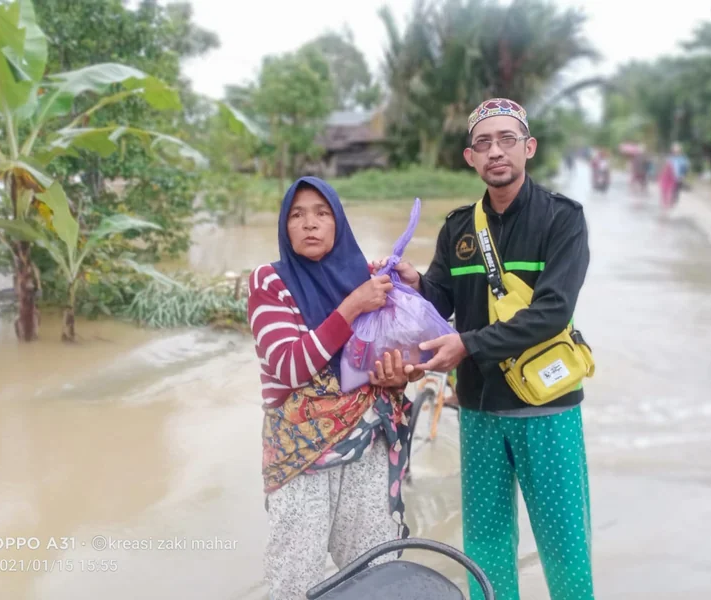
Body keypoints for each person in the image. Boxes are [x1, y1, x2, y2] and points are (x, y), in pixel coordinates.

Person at [386, 98, 595, 600]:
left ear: (529, 147)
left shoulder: (562, 219)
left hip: (547, 409)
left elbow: (552, 312)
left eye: (506, 140)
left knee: (565, 546)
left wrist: (467, 344)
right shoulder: (458, 227)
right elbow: (442, 300)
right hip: (479, 408)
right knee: (485, 545)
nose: (495, 151)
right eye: (484, 143)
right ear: (470, 157)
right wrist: (415, 285)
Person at [247, 176, 421, 600]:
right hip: (301, 456)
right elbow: (289, 367)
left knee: (374, 571)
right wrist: (352, 306)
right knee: (296, 579)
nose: (310, 223)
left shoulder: (368, 279)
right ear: (284, 226)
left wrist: (399, 374)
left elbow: (407, 353)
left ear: (338, 222)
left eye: (322, 213)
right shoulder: (270, 282)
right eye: (297, 215)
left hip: (367, 444)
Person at [659, 142, 690, 209]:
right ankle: (667, 204)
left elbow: (686, 168)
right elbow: (665, 168)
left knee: (676, 192)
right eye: (674, 150)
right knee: (669, 191)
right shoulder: (669, 158)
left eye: (677, 151)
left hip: (678, 177)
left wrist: (683, 175)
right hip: (670, 178)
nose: (675, 152)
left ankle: (672, 202)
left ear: (680, 151)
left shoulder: (683, 159)